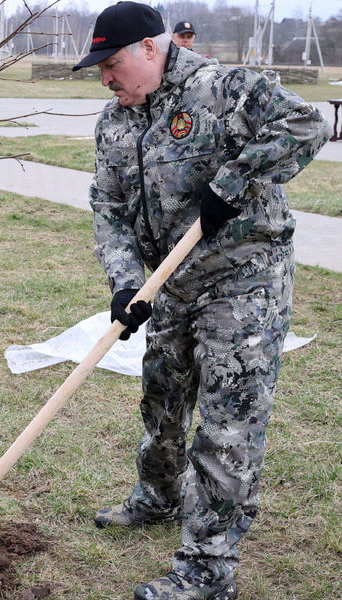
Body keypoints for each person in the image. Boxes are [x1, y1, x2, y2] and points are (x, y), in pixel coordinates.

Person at [71, 3, 330, 600]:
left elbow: (307, 125)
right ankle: (157, 497)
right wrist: (123, 283)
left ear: (150, 50)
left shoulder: (225, 88)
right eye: (100, 69)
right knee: (162, 395)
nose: (107, 79)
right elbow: (107, 208)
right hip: (170, 283)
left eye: (112, 65)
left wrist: (235, 181)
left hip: (243, 279)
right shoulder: (115, 123)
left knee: (226, 420)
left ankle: (208, 569)